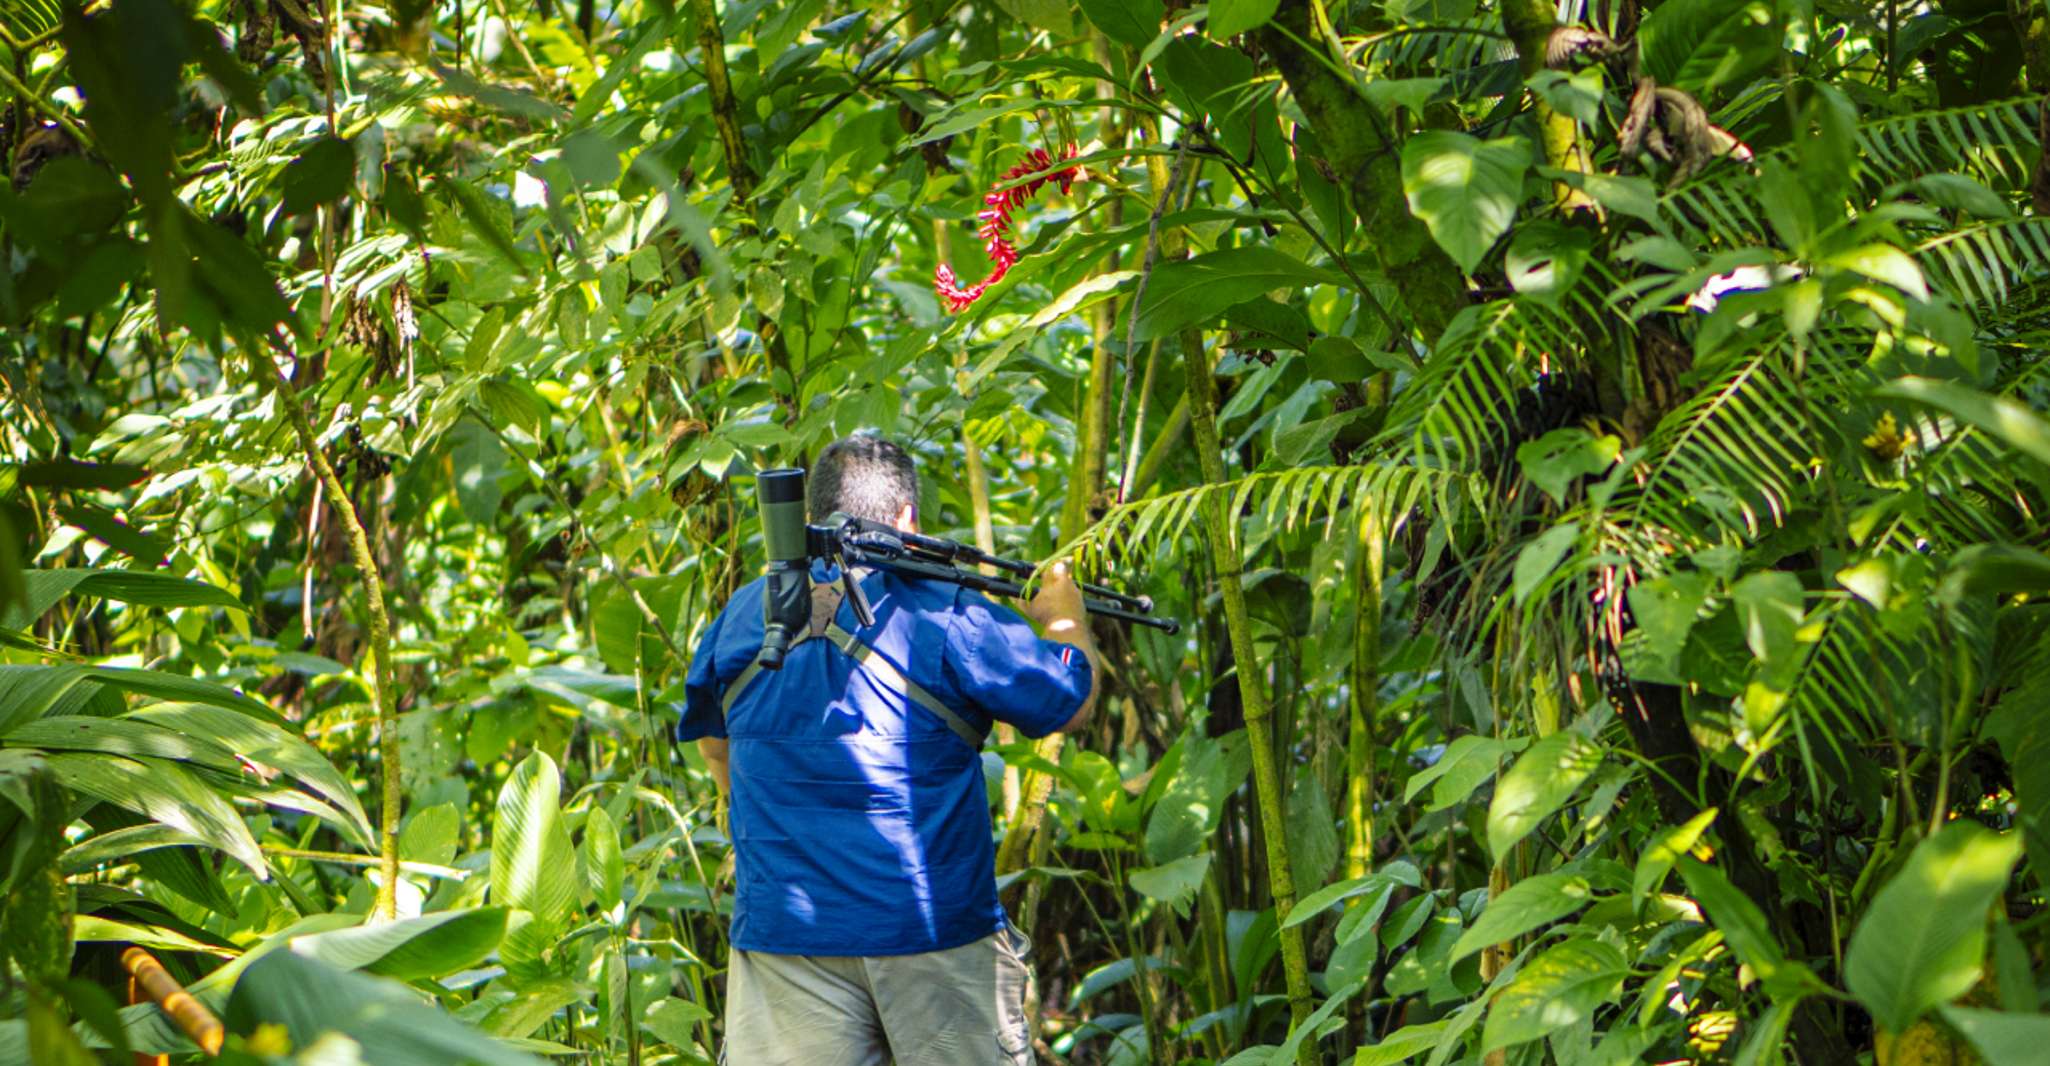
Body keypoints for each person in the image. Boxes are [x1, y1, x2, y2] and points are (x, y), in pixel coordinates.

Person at [679, 433, 1103, 1066]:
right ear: (907, 518)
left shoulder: (744, 616)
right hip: (935, 935)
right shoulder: (948, 613)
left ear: (809, 516)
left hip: (784, 940)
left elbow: (716, 748)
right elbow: (1069, 701)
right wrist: (1065, 619)